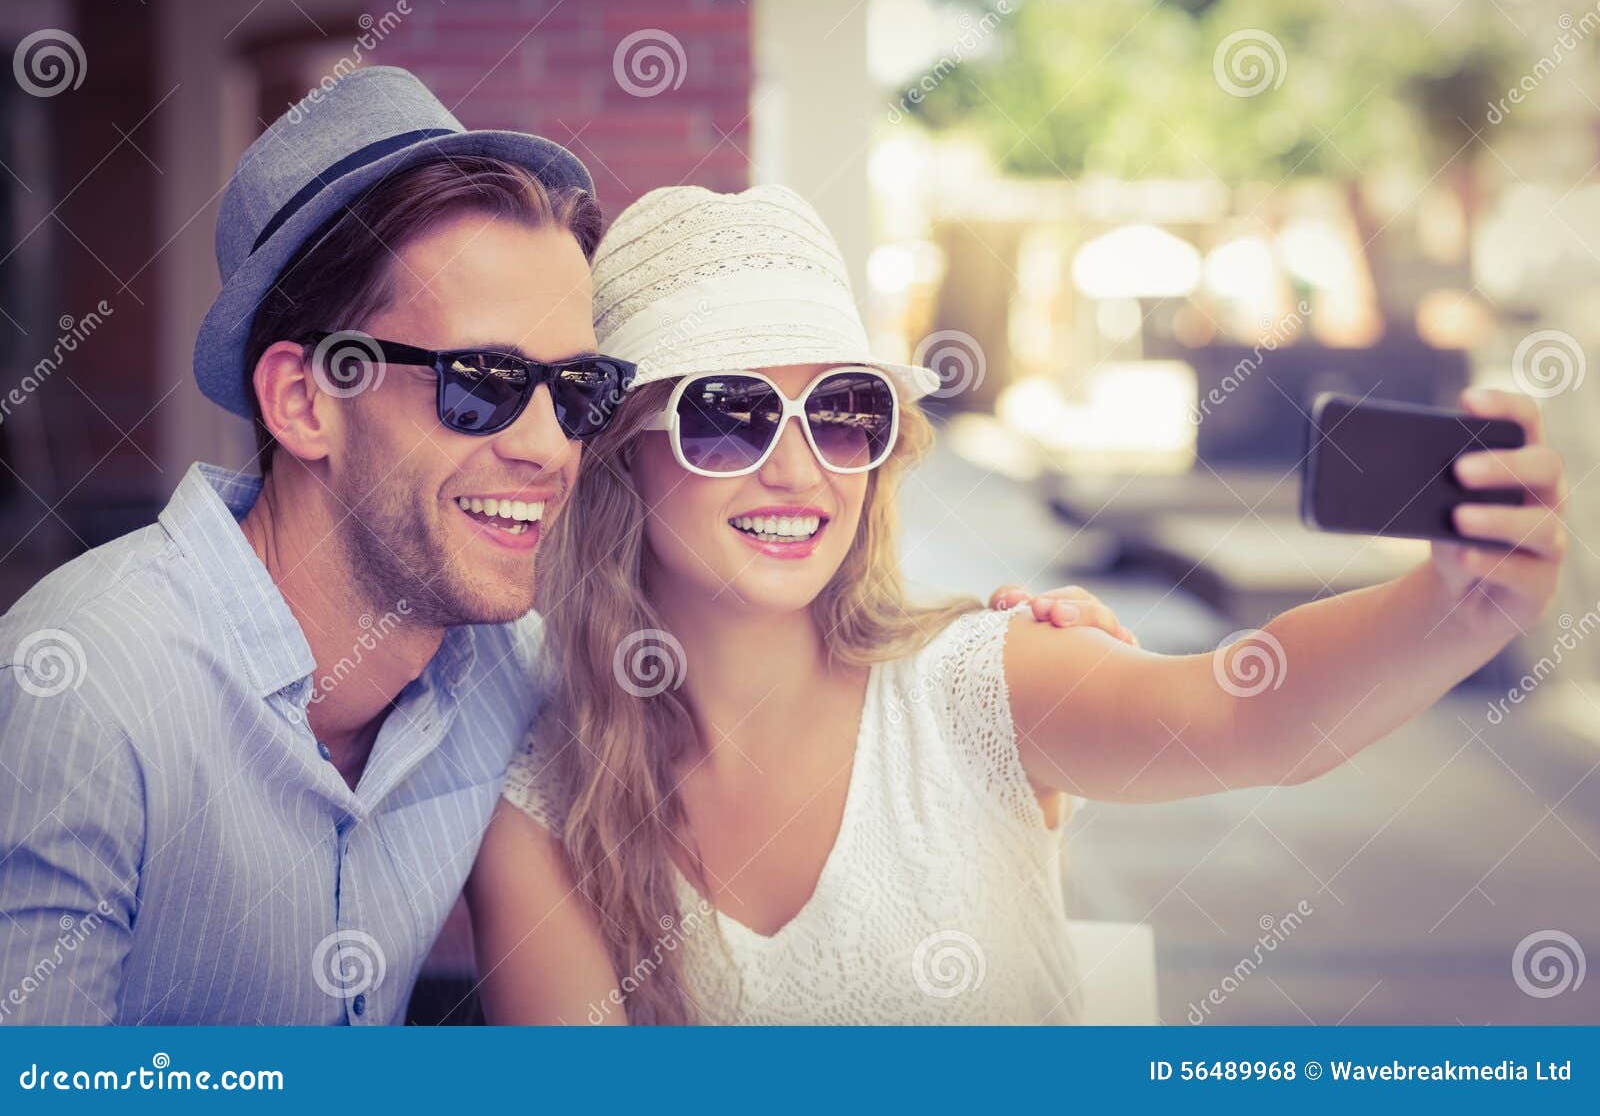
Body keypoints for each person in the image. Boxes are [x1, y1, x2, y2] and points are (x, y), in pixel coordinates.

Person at [0, 69, 1119, 1025]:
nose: (550, 447)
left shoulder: (504, 665)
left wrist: (988, 714)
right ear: (304, 400)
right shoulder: (84, 686)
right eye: (480, 386)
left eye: (574, 391)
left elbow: (732, 660)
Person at [467, 184, 1568, 1025]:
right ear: (621, 458)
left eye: (843, 413)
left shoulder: (976, 678)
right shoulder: (540, 809)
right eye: (727, 415)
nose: (800, 470)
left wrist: (1453, 606)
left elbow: (1248, 714)